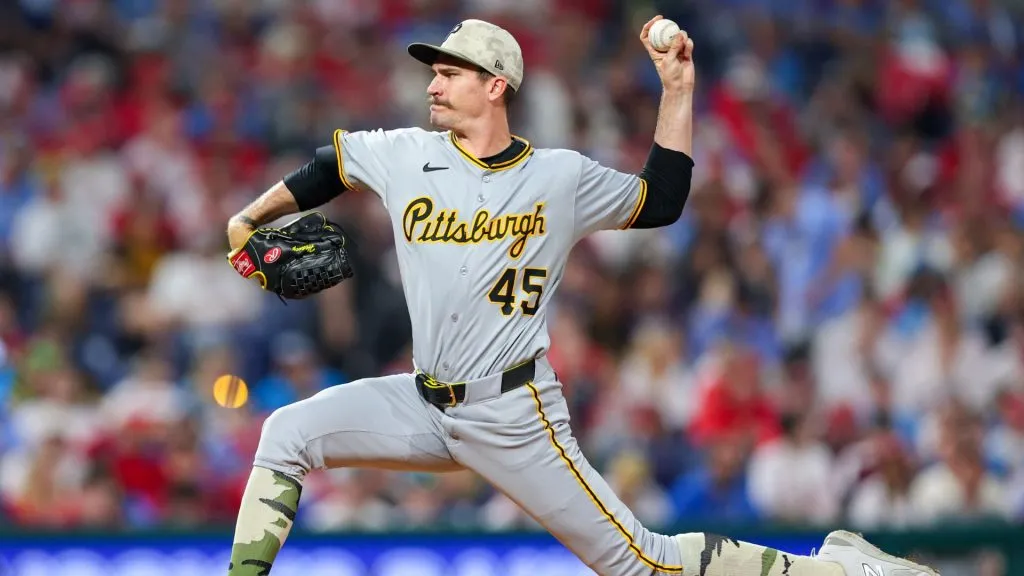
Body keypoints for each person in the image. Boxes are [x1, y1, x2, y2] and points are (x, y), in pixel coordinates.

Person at [222, 16, 938, 576]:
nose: (433, 85)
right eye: (432, 73)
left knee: (644, 562)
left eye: (449, 73)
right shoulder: (408, 153)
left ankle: (837, 566)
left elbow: (661, 199)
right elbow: (328, 167)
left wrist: (678, 91)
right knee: (286, 433)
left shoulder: (558, 177)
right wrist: (250, 220)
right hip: (423, 400)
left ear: (496, 84)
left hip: (513, 411)